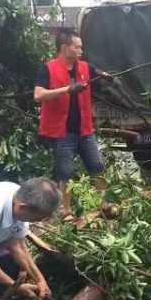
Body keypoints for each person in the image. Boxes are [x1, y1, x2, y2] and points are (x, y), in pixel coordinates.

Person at [34, 30, 118, 223]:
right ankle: (66, 212)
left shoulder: (84, 67)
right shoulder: (48, 69)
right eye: (77, 46)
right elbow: (38, 95)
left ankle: (102, 204)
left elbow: (100, 74)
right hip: (62, 132)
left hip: (84, 130)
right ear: (65, 48)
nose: (81, 50)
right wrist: (66, 89)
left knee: (97, 167)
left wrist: (109, 78)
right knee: (66, 172)